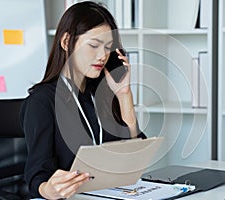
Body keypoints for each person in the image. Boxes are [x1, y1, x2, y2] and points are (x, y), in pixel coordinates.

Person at [20, 1, 146, 199]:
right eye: (94, 45)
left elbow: (134, 155)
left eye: (107, 48)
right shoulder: (42, 101)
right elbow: (37, 175)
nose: (102, 56)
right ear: (66, 42)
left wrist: (124, 95)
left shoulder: (101, 94)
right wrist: (48, 189)